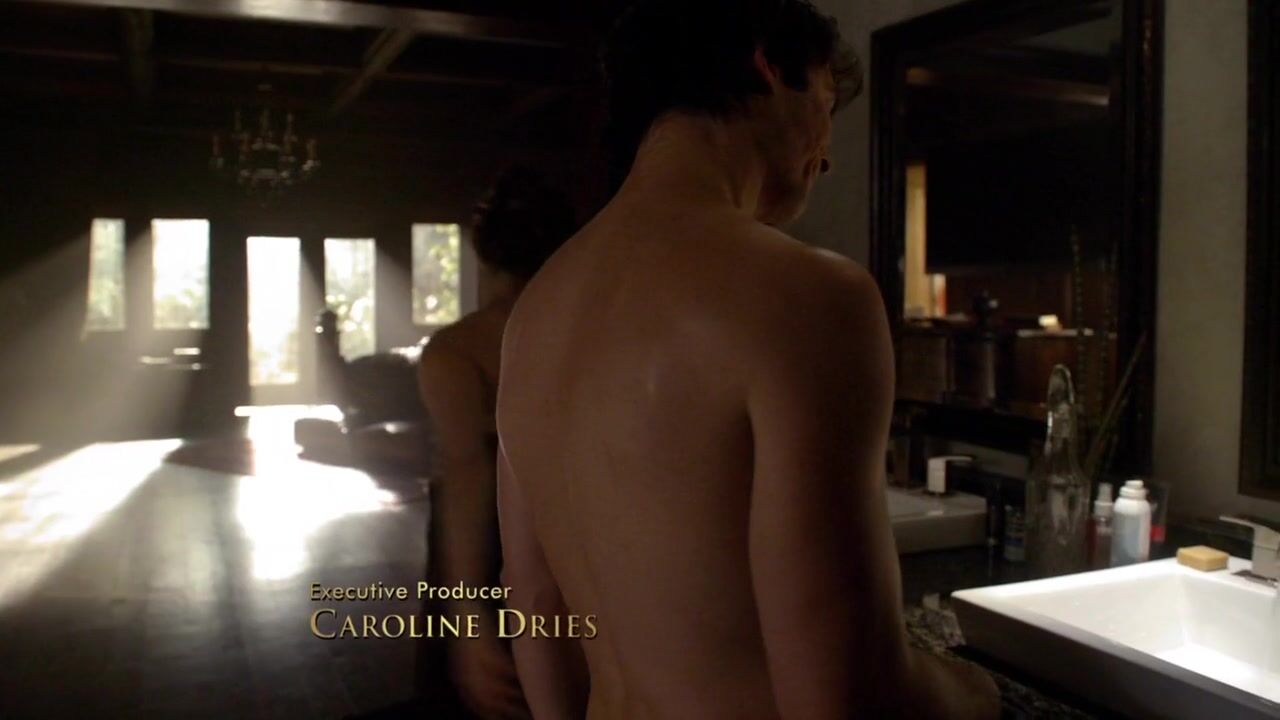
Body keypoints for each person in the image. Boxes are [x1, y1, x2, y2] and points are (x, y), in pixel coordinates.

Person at [494, 1, 1002, 718]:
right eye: (825, 103)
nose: (826, 154)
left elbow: (534, 601)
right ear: (768, 67)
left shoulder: (534, 314)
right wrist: (978, 692)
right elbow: (846, 693)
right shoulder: (808, 294)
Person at [416, 167, 577, 720]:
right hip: (577, 541)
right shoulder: (595, 338)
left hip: (492, 548)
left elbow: (467, 477)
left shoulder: (455, 352)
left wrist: (467, 620)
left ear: (482, 255)